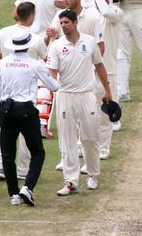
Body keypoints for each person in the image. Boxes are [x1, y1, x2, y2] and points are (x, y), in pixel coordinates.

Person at [0, 30, 60, 206]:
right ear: (28, 46)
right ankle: (27, 187)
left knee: (7, 154)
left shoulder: (2, 64)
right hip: (26, 111)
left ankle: (14, 194)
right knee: (38, 152)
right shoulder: (35, 64)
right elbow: (54, 86)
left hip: (6, 111)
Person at [47, 10, 111, 196]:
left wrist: (107, 91)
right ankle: (71, 181)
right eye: (61, 23)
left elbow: (99, 66)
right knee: (67, 139)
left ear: (75, 23)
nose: (63, 25)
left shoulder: (89, 41)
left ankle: (92, 174)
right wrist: (52, 88)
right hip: (65, 95)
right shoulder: (57, 46)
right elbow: (52, 72)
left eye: (66, 22)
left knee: (90, 136)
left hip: (87, 95)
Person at [46, 0, 105, 169]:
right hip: (66, 82)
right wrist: (50, 36)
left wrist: (92, 68)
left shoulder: (93, 16)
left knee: (89, 130)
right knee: (67, 129)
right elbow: (51, 43)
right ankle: (68, 164)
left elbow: (100, 46)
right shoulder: (59, 16)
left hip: (87, 77)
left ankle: (91, 166)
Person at [0, 2, 48, 180]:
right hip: (27, 91)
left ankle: (1, 166)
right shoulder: (36, 39)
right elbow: (46, 61)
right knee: (26, 130)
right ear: (31, 16)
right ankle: (23, 169)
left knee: (4, 127)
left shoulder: (3, 32)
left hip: (4, 86)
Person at [89, 0, 124, 158]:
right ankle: (81, 145)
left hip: (108, 71)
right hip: (87, 71)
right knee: (86, 113)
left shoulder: (116, 13)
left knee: (104, 114)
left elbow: (105, 10)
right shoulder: (89, 15)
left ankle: (103, 149)